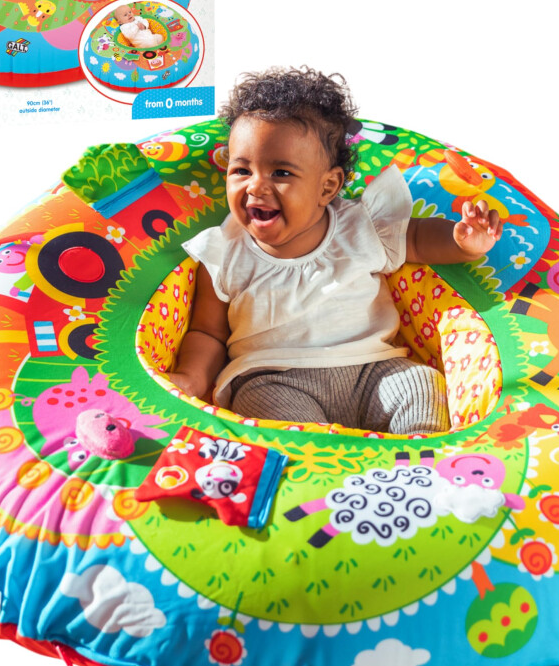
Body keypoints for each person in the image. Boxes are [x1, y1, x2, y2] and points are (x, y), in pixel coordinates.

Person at [168, 66, 502, 435]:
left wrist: (463, 242)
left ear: (327, 187)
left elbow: (419, 239)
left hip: (376, 372)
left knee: (421, 383)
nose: (255, 187)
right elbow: (208, 333)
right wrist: (191, 378)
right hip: (275, 381)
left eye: (281, 173)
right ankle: (319, 466)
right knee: (262, 408)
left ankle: (413, 460)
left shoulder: (362, 226)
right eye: (241, 171)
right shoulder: (224, 251)